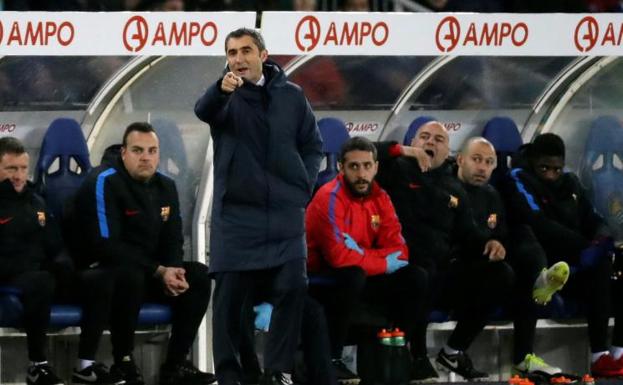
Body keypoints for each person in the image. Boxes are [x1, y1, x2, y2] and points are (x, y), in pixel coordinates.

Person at [194, 28, 323, 385]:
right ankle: (232, 374)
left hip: (284, 213)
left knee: (293, 287)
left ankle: (278, 370)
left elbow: (313, 145)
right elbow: (204, 110)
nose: (238, 59)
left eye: (245, 51)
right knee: (229, 302)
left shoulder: (293, 96)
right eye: (231, 53)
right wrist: (221, 89)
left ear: (263, 55)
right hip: (237, 216)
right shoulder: (225, 95)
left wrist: (303, 185)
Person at [72, 122, 215, 385]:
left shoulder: (166, 186)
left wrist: (173, 270)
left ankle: (175, 366)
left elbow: (173, 237)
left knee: (200, 276)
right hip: (106, 274)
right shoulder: (104, 181)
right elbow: (106, 245)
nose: (146, 157)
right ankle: (123, 361)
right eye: (138, 150)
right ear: (124, 153)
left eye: (152, 151)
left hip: (152, 272)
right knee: (131, 275)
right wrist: (159, 271)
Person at [375, 122, 514, 381]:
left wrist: (490, 243)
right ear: (413, 142)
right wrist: (402, 151)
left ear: (448, 151)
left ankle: (453, 350)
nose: (430, 143)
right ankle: (414, 353)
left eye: (439, 139)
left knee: (501, 274)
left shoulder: (454, 188)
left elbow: (469, 234)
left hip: (440, 273)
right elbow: (362, 152)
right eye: (424, 137)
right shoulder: (395, 170)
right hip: (400, 267)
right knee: (423, 270)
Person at [306, 136, 428, 384]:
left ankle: (395, 345)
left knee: (416, 276)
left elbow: (400, 251)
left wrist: (363, 255)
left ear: (376, 167)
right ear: (341, 167)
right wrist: (381, 261)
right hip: (321, 277)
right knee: (352, 275)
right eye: (354, 166)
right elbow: (339, 258)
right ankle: (333, 357)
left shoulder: (380, 197)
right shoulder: (328, 197)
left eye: (367, 166)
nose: (361, 174)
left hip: (362, 270)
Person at [502, 133, 623, 378]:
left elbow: (594, 218)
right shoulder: (518, 178)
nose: (550, 174)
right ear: (533, 161)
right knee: (540, 257)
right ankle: (596, 354)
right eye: (544, 167)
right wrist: (584, 246)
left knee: (608, 266)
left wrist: (602, 239)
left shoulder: (571, 183)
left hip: (576, 268)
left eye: (556, 169)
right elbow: (536, 222)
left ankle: (612, 354)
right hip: (543, 265)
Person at [0, 137, 65, 385]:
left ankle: (90, 364)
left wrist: (63, 263)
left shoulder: (36, 200)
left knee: (90, 278)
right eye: (11, 169)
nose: (18, 176)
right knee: (42, 281)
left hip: (37, 274)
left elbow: (55, 243)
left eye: (23, 168)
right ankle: (38, 365)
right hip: (9, 274)